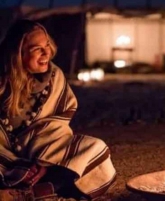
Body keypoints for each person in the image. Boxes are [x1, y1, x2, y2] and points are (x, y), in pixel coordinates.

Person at [0, 19, 116, 200]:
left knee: (95, 149)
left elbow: (56, 122)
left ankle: (32, 192)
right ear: (18, 53)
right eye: (37, 48)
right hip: (5, 156)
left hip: (43, 149)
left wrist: (44, 162)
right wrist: (19, 163)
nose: (47, 52)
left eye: (47, 45)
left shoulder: (54, 77)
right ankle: (47, 186)